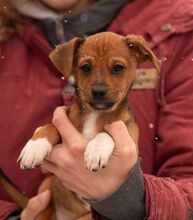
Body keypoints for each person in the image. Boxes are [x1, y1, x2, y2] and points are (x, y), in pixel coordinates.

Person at [1, 0, 193, 219]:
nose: (99, 86)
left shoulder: (179, 27)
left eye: (117, 68)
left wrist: (128, 199)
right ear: (70, 65)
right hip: (53, 206)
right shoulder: (8, 40)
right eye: (85, 68)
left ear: (142, 56)